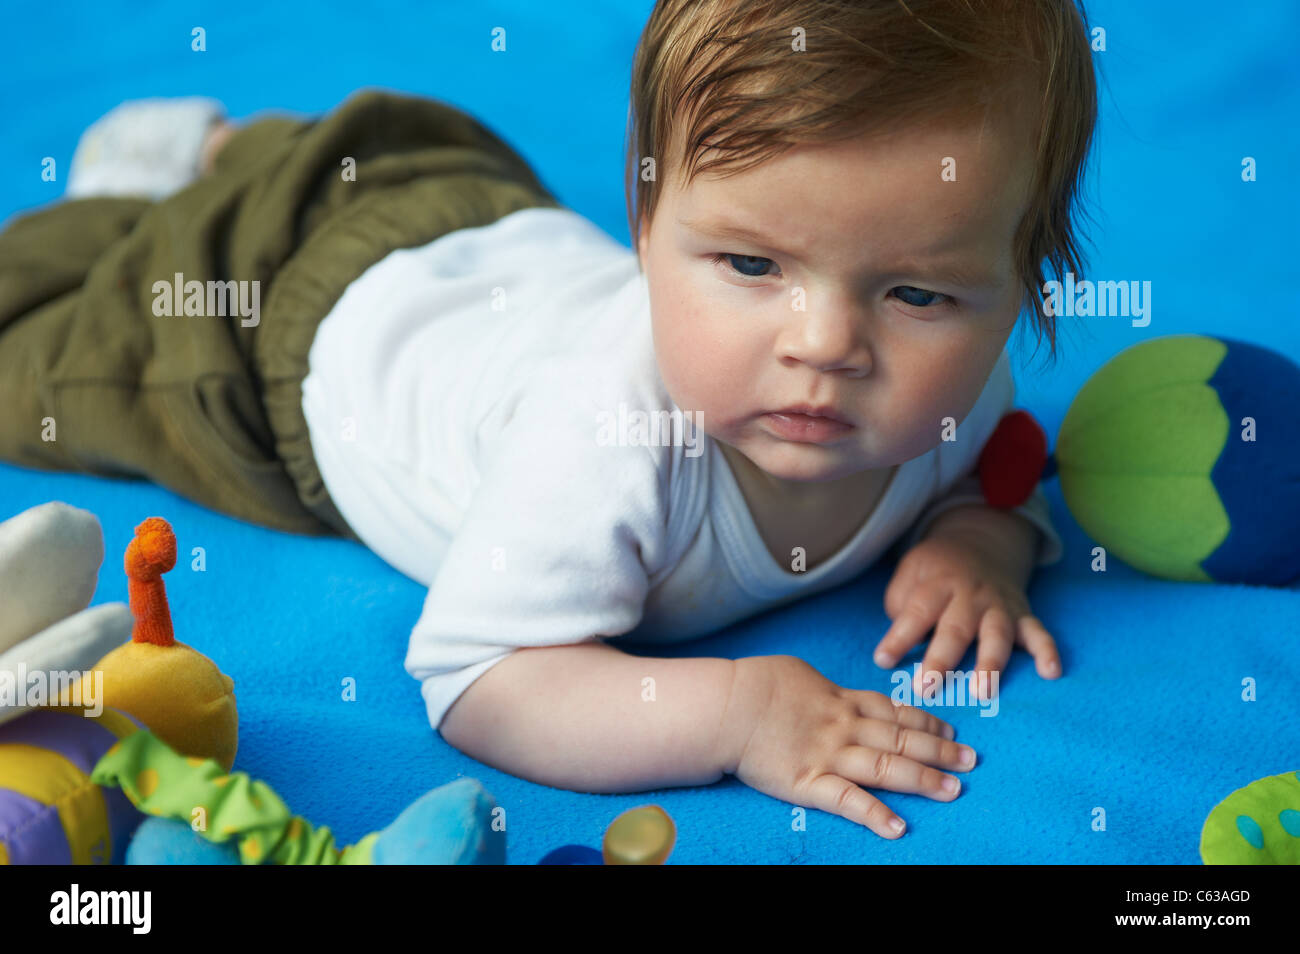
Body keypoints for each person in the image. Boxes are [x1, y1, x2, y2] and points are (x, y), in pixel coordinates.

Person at [0, 0, 1096, 838]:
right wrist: (735, 715)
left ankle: (228, 150)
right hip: (276, 336)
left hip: (478, 230)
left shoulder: (959, 397)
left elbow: (990, 472)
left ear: (1021, 286)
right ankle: (160, 183)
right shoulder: (606, 440)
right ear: (646, 221)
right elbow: (481, 678)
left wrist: (977, 541)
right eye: (750, 263)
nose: (823, 346)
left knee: (351, 160)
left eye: (915, 295)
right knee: (43, 355)